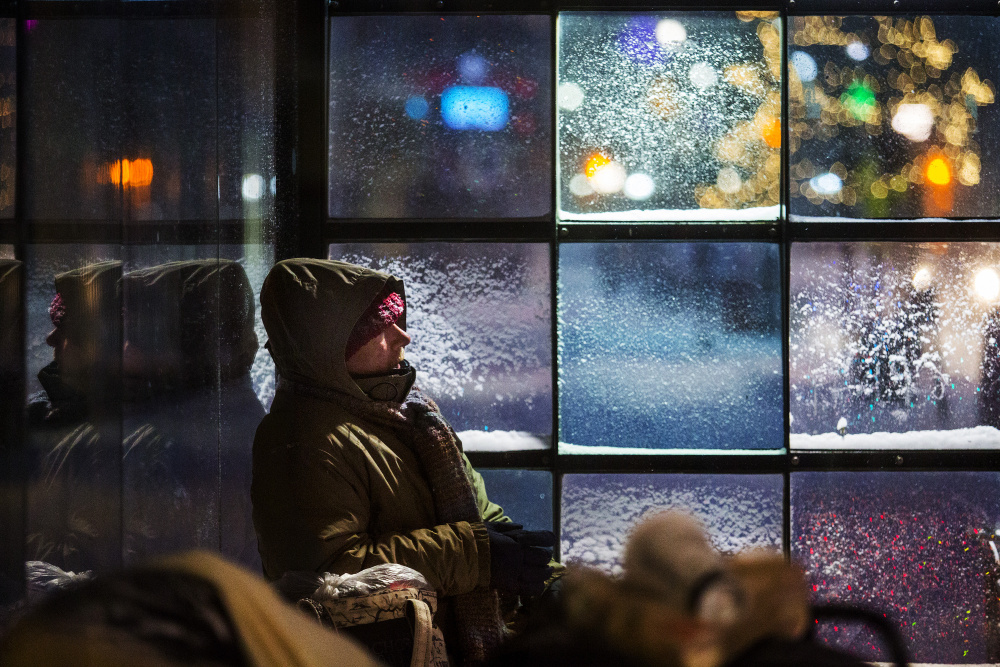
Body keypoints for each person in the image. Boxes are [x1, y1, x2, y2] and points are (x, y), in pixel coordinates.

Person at [251, 258, 558, 665]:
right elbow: (328, 575)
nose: (403, 336)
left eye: (399, 319)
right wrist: (477, 557)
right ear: (328, 344)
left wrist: (544, 575)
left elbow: (478, 516)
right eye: (381, 326)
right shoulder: (303, 440)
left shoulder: (409, 415)